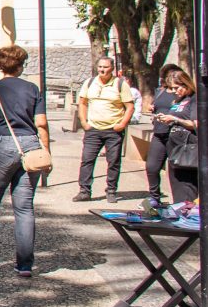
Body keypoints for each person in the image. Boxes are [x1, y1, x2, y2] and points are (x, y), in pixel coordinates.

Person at [0, 45, 49, 276]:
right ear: (22, 65)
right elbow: (41, 123)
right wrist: (46, 151)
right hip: (31, 144)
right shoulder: (33, 89)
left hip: (3, 143)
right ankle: (24, 264)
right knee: (24, 207)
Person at [74, 57, 134, 203]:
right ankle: (84, 191)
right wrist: (84, 122)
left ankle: (111, 190)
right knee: (87, 159)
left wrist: (122, 124)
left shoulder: (120, 84)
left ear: (112, 68)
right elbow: (82, 103)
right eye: (100, 67)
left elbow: (130, 107)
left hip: (113, 129)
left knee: (113, 161)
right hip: (93, 128)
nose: (102, 70)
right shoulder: (89, 83)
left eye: (105, 67)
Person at [155, 69, 199, 203]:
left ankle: (187, 214)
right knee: (177, 184)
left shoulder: (194, 99)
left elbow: (195, 123)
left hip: (188, 148)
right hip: (174, 147)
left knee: (186, 186)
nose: (174, 91)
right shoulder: (179, 100)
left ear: (185, 84)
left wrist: (175, 119)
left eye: (176, 87)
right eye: (171, 88)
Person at [144, 64, 185, 205]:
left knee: (174, 170)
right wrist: (152, 107)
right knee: (151, 167)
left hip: (173, 135)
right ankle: (154, 197)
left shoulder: (180, 93)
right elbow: (156, 105)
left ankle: (180, 202)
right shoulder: (160, 91)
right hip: (159, 132)